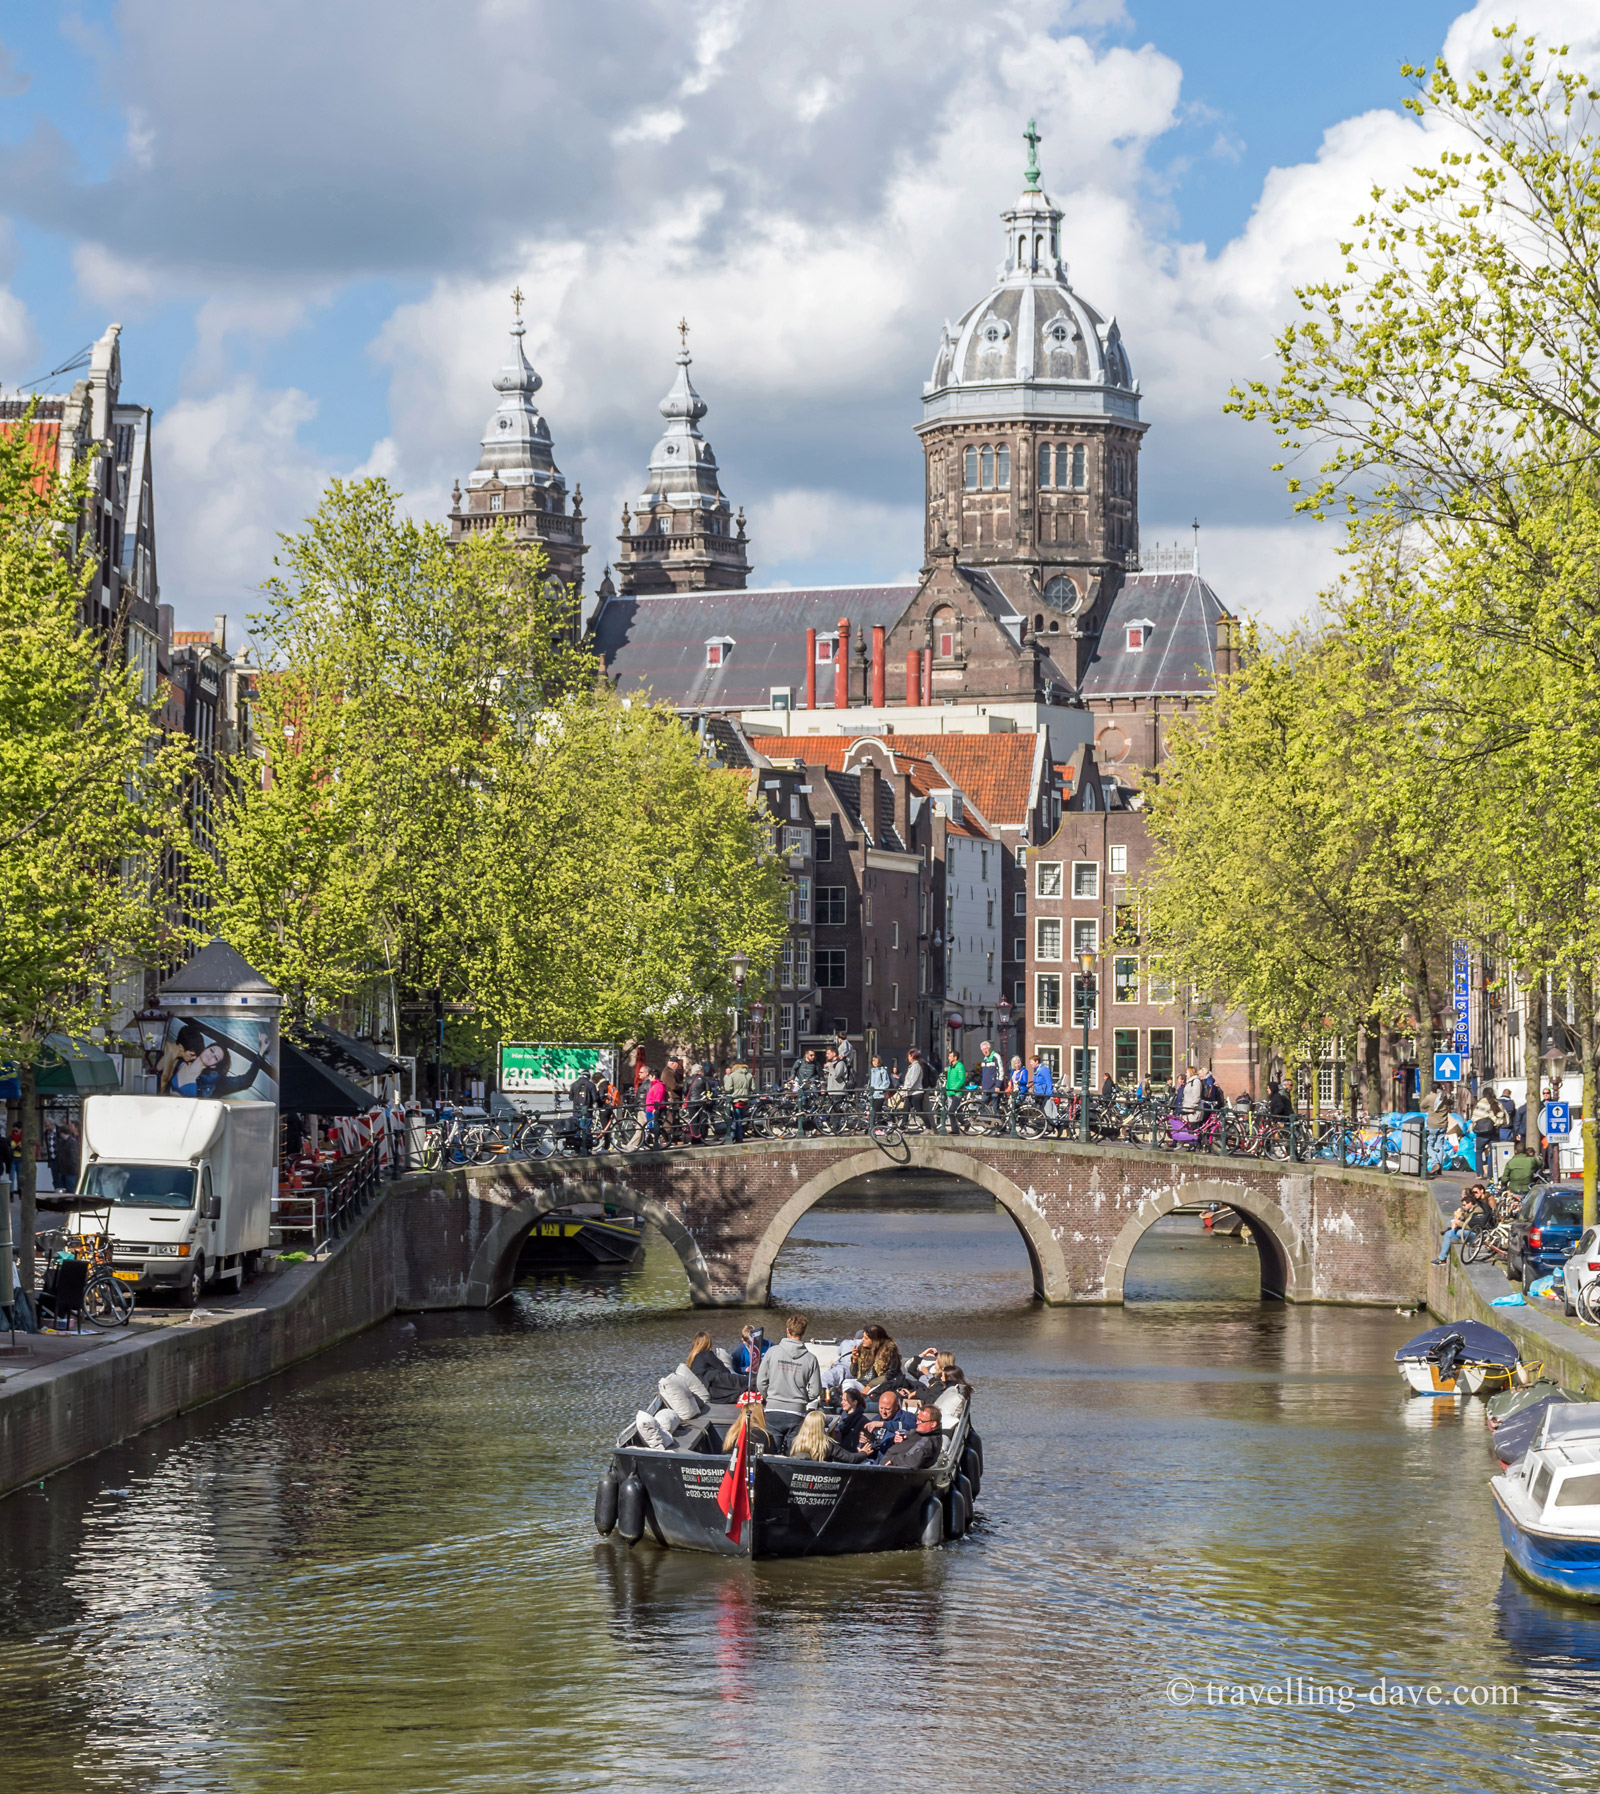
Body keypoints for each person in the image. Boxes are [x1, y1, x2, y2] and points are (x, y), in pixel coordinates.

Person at [755, 1312, 823, 1450]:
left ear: (787, 1330)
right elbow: (816, 1390)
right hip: (797, 1412)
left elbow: (760, 1382)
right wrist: (802, 1399)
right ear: (804, 1333)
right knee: (794, 1451)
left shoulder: (772, 1352)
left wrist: (771, 1396)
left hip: (773, 1409)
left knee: (771, 1451)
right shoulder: (811, 1359)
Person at [1434, 1184, 1496, 1264]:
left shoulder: (1478, 1210)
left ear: (1470, 1203)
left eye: (1464, 1205)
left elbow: (1471, 1226)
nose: (1463, 1207)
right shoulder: (1472, 1209)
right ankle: (1442, 1258)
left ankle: (1442, 1259)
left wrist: (1458, 1222)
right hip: (1471, 1231)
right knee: (1449, 1233)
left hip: (1475, 1233)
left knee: (1449, 1234)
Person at [873, 1402, 943, 1468]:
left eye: (921, 1421)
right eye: (917, 1419)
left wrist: (894, 1460)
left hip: (893, 1474)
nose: (917, 1423)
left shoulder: (928, 1442)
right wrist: (903, 1437)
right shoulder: (922, 1433)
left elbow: (915, 1461)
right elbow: (911, 1438)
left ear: (933, 1424)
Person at [858, 1387, 916, 1456]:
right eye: (881, 1408)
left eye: (887, 1409)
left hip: (892, 1459)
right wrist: (863, 1442)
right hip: (874, 1460)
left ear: (896, 1407)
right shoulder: (876, 1419)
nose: (883, 1412)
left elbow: (910, 1427)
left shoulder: (907, 1417)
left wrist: (884, 1424)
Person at [687, 1331, 742, 1403]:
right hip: (717, 1383)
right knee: (749, 1382)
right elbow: (724, 1370)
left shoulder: (691, 1359)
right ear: (708, 1343)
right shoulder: (707, 1354)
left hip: (710, 1389)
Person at [788, 1410, 855, 1463]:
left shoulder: (794, 1442)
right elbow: (850, 1458)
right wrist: (864, 1452)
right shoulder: (827, 1444)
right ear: (821, 1426)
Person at [828, 1385, 870, 1452]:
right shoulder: (841, 1419)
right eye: (842, 1400)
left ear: (854, 1402)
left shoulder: (863, 1421)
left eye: (845, 1400)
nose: (842, 1402)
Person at [723, 1058, 755, 1142]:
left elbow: (727, 1088)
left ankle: (736, 1136)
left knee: (737, 1119)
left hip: (736, 1099)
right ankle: (738, 1136)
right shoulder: (749, 1075)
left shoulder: (733, 1075)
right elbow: (753, 1088)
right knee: (740, 1118)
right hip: (745, 1100)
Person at [732, 1323, 768, 1388]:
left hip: (765, 1375)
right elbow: (735, 1368)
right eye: (749, 1343)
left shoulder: (767, 1344)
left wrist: (765, 1359)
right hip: (748, 1378)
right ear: (743, 1340)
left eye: (753, 1342)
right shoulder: (739, 1351)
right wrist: (745, 1369)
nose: (751, 1344)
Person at [897, 1050, 926, 1117]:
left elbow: (912, 1080)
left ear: (912, 1056)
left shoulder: (916, 1067)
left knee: (919, 1111)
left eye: (909, 1056)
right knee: (906, 1109)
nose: (908, 1058)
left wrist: (905, 1090)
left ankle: (928, 1125)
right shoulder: (912, 1066)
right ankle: (903, 1125)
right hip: (910, 1092)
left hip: (915, 1093)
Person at [978, 1040, 1002, 1110]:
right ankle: (986, 1120)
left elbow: (1000, 1071)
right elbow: (984, 1074)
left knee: (995, 1107)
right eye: (983, 1049)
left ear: (990, 1048)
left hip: (994, 1086)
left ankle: (996, 1120)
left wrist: (998, 1085)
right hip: (986, 1087)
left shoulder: (996, 1057)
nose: (985, 1051)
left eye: (986, 1049)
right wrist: (982, 1086)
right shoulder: (984, 1059)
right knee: (984, 1106)